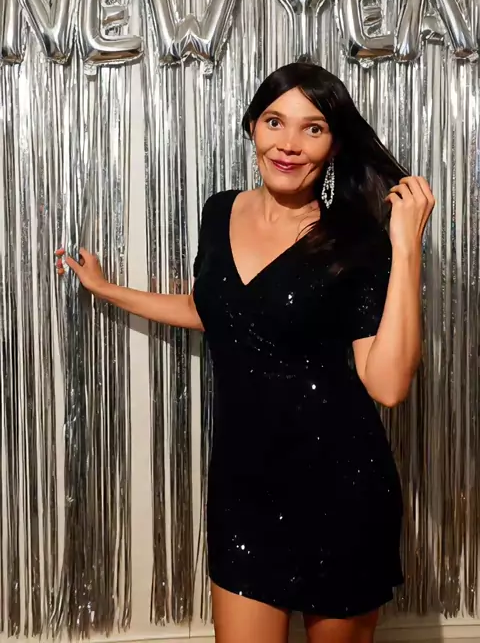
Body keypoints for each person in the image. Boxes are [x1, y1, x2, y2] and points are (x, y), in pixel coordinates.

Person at [56, 61, 435, 643]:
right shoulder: (219, 211)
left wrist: (405, 248)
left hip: (340, 487)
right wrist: (107, 291)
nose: (289, 144)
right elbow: (217, 310)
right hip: (244, 486)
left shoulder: (356, 241)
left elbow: (387, 385)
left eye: (313, 128)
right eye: (275, 121)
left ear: (334, 144)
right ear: (252, 126)